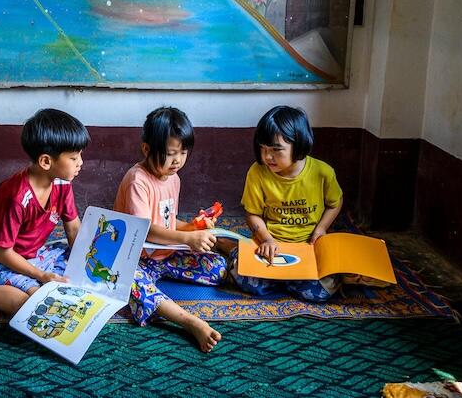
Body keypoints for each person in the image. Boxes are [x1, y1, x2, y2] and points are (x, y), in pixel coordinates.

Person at [0, 108, 89, 321]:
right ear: (46, 162)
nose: (81, 162)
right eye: (74, 157)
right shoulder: (15, 197)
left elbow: (74, 228)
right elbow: (1, 253)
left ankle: (40, 279)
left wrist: (85, 267)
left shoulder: (61, 183)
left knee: (74, 272)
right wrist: (41, 275)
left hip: (33, 254)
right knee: (31, 303)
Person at [113, 106, 226, 353]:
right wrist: (188, 237)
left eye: (183, 153)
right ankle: (189, 322)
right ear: (147, 149)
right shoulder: (138, 181)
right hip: (133, 259)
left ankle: (162, 275)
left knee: (217, 267)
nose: (178, 161)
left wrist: (194, 228)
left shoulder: (173, 178)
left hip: (164, 255)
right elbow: (145, 231)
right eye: (171, 153)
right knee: (129, 284)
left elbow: (166, 223)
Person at [229, 105, 343, 301]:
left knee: (322, 292)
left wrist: (321, 230)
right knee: (245, 279)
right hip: (269, 246)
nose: (267, 157)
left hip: (308, 247)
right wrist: (267, 240)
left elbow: (335, 202)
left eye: (276, 150)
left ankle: (281, 280)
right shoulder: (257, 173)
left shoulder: (322, 172)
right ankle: (236, 251)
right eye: (263, 149)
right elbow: (252, 213)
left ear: (298, 144)